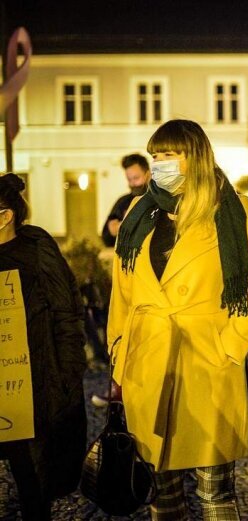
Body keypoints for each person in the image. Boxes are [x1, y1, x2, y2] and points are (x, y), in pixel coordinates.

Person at [106, 120, 248, 520]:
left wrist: (228, 348)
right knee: (163, 494)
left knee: (215, 492)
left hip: (206, 365)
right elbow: (121, 296)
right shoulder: (138, 212)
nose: (160, 164)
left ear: (194, 156)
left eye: (170, 155)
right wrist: (120, 360)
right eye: (156, 156)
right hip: (148, 363)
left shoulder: (231, 210)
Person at [0, 173, 87, 520]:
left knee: (32, 478)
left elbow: (66, 312)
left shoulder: (36, 251)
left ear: (6, 216)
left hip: (31, 385)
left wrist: (67, 373)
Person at [101, 153, 151, 248]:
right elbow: (106, 237)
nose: (133, 183)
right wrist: (113, 230)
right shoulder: (122, 202)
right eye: (129, 179)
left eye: (136, 178)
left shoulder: (159, 199)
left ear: (148, 174)